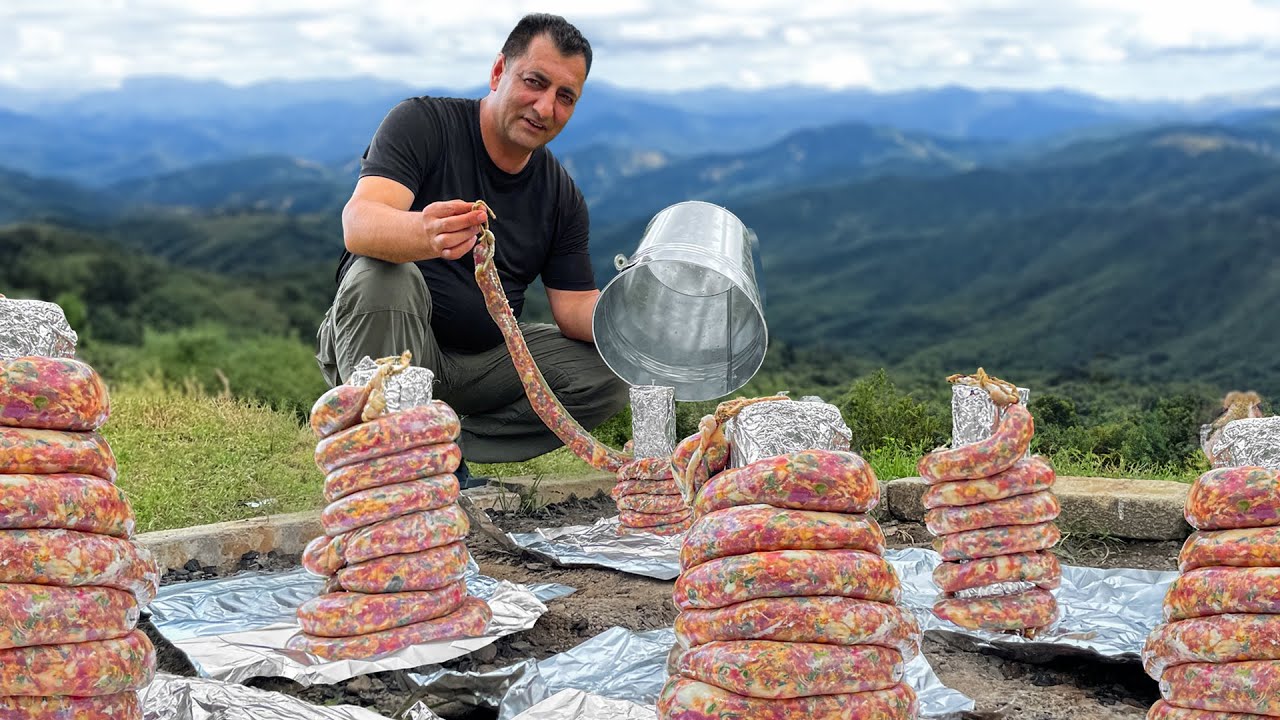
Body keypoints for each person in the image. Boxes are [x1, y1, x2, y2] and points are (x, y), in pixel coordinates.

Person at [315, 13, 629, 487]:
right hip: (386, 338)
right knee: (384, 274)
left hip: (482, 364)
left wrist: (641, 314)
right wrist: (424, 233)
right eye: (534, 82)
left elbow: (576, 308)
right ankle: (388, 463)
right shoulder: (423, 123)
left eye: (565, 97)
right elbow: (358, 224)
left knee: (609, 372)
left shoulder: (560, 194)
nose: (545, 107)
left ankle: (442, 447)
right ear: (499, 72)